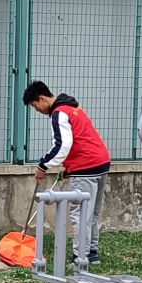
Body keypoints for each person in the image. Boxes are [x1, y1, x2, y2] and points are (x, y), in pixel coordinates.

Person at [23, 80, 112, 271]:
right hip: (101, 162)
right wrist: (69, 166)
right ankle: (91, 252)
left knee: (80, 213)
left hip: (86, 166)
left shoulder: (59, 113)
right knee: (91, 212)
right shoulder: (73, 108)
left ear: (42, 98)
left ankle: (80, 257)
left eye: (35, 105)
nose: (37, 110)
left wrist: (42, 166)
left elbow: (62, 146)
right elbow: (79, 139)